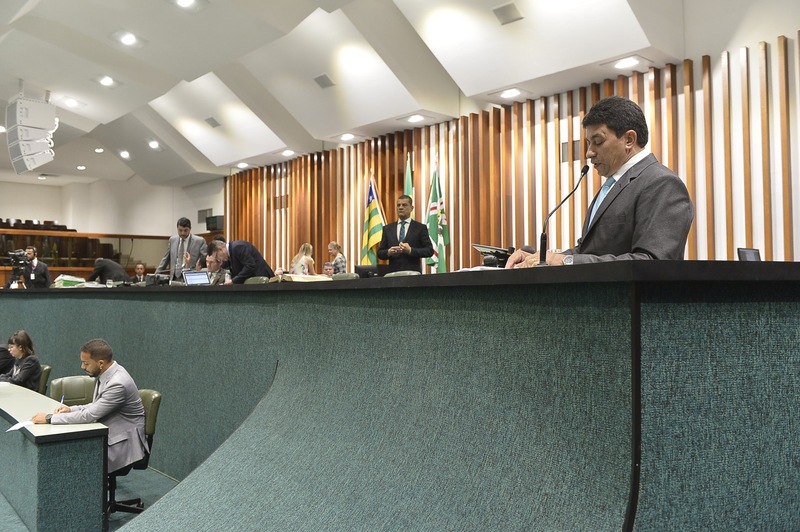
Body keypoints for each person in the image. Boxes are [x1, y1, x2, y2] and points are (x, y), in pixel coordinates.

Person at [506, 96, 694, 268]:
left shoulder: (662, 183)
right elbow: (586, 251)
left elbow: (653, 263)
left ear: (629, 139)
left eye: (598, 141)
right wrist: (540, 259)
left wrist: (566, 261)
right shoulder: (612, 185)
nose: (589, 153)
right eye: (589, 143)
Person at [31, 339, 148, 474]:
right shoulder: (109, 373)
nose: (82, 366)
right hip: (111, 431)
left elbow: (90, 415)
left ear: (101, 363)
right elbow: (97, 405)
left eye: (86, 363)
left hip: (124, 443)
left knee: (71, 459)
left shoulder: (118, 383)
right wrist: (70, 409)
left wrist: (49, 418)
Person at [377, 195, 434, 273]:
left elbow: (429, 251)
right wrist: (389, 252)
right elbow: (380, 253)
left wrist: (410, 250)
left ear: (411, 208)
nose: (400, 207)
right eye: (398, 205)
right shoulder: (387, 229)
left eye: (404, 205)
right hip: (393, 274)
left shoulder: (420, 228)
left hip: (413, 274)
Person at [155, 217, 208, 282]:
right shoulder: (172, 240)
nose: (183, 233)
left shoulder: (199, 241)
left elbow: (204, 260)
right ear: (177, 229)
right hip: (174, 277)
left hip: (191, 277)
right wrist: (155, 275)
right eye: (180, 230)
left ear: (190, 229)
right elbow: (165, 259)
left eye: (185, 230)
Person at [206, 239, 274, 284]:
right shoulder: (230, 253)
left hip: (261, 280)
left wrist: (233, 280)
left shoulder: (238, 247)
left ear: (221, 249)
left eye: (217, 256)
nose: (218, 259)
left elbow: (250, 266)